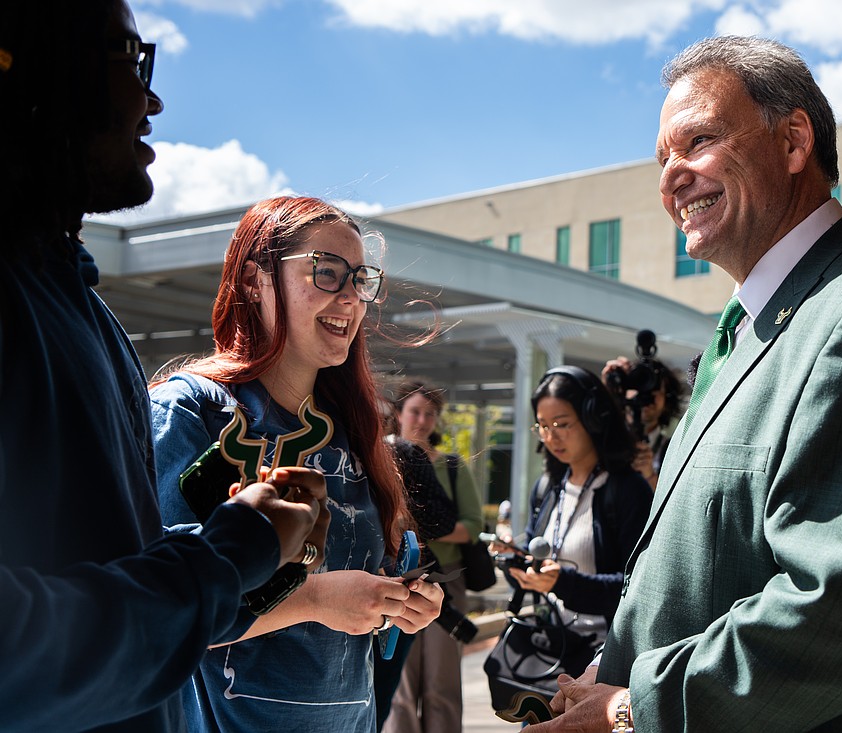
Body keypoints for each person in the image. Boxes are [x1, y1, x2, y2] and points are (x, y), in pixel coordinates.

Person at [529, 36, 842, 731]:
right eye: (663, 158)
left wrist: (638, 706)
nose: (670, 177)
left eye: (698, 141)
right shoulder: (748, 329)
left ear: (792, 142)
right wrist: (611, 673)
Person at [0, 3, 327, 731]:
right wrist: (226, 557)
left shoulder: (79, 305)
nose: (152, 100)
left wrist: (246, 549)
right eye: (129, 58)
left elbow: (113, 564)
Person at [149, 196, 444, 731]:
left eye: (361, 278)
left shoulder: (354, 433)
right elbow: (161, 610)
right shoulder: (192, 412)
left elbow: (358, 594)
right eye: (327, 273)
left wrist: (402, 602)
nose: (351, 297)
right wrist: (314, 599)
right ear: (254, 279)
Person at [506, 366, 653, 639]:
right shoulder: (547, 486)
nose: (551, 437)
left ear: (593, 419)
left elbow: (641, 587)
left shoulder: (629, 491)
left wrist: (564, 582)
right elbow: (531, 554)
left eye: (562, 424)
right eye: (543, 427)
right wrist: (513, 562)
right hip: (553, 639)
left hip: (604, 655)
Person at [383, 381, 484, 733]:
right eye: (415, 410)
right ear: (398, 414)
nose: (422, 420)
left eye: (430, 413)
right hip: (400, 576)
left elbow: (472, 525)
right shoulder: (382, 459)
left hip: (444, 578)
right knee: (401, 683)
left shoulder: (452, 466)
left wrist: (424, 527)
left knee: (442, 681)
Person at [601, 355, 685, 489]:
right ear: (625, 389)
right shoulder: (605, 436)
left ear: (667, 400)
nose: (646, 394)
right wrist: (606, 393)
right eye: (639, 384)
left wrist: (650, 475)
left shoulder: (674, 450)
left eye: (656, 388)